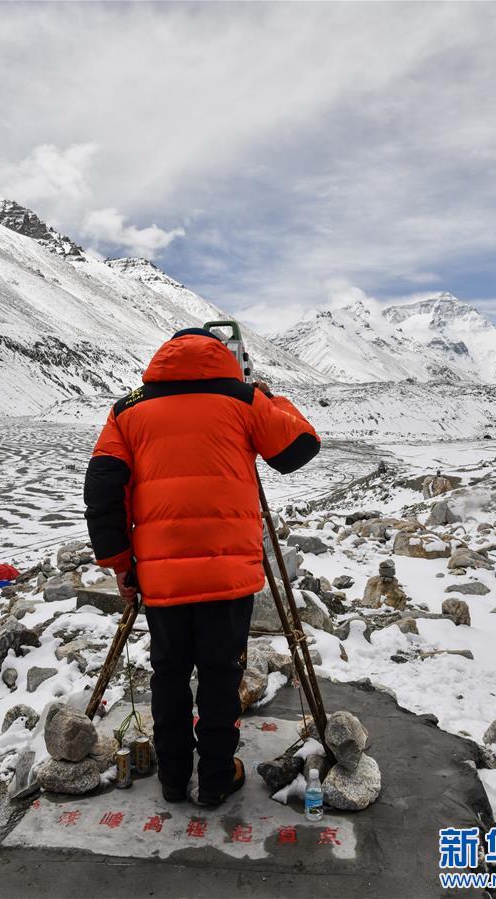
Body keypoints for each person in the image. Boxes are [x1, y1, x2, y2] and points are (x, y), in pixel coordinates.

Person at [83, 327, 320, 807]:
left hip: (162, 578)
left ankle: (173, 780)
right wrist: (270, 396)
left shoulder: (128, 408)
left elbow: (103, 488)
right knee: (218, 676)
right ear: (225, 358)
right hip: (227, 581)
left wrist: (120, 565)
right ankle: (214, 779)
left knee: (168, 675)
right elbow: (299, 449)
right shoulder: (243, 398)